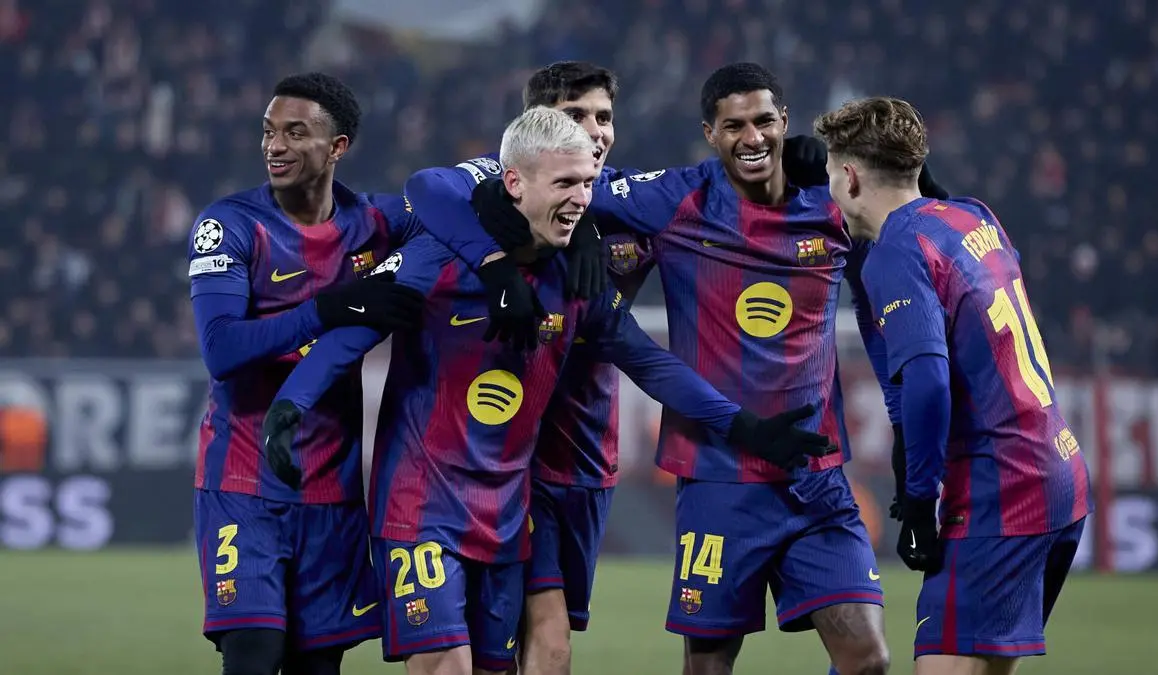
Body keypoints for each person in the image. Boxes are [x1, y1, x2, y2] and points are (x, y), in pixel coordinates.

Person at [260, 106, 837, 675]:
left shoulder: (575, 278)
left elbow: (650, 364)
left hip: (506, 514)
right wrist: (290, 406)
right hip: (420, 507)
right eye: (564, 183)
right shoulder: (436, 258)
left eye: (586, 183)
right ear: (514, 183)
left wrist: (745, 427)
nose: (582, 199)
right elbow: (350, 336)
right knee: (444, 667)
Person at [814, 96, 1093, 675]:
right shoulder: (975, 216)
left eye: (831, 173)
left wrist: (920, 499)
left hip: (1000, 489)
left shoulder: (898, 251)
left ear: (850, 177)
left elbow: (929, 382)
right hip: (1059, 472)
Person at [406, 61, 655, 675]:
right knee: (526, 642)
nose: (593, 131)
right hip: (504, 456)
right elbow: (425, 187)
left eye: (604, 117)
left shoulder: (621, 195)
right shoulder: (493, 185)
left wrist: (801, 165)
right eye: (575, 116)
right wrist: (495, 264)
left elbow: (713, 188)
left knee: (541, 642)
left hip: (582, 446)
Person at [188, 72, 426, 675]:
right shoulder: (230, 224)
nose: (275, 146)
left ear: (337, 146)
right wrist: (329, 308)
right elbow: (221, 349)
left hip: (334, 492)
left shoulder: (374, 221)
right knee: (253, 655)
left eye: (296, 133)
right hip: (244, 481)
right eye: (269, 131)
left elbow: (452, 205)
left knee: (317, 668)